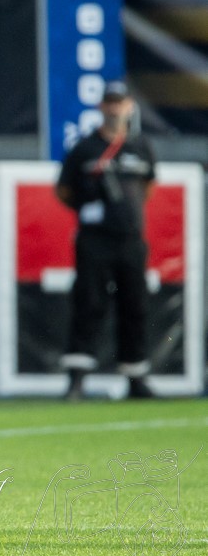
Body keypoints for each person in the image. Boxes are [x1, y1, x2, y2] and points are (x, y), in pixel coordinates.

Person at [57, 82, 157, 401]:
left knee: (135, 305)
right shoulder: (85, 148)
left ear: (130, 107)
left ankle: (135, 376)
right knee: (89, 303)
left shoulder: (140, 146)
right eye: (110, 103)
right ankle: (77, 378)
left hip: (130, 240)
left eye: (121, 103)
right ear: (101, 107)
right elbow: (64, 191)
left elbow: (149, 186)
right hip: (94, 241)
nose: (115, 109)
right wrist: (89, 210)